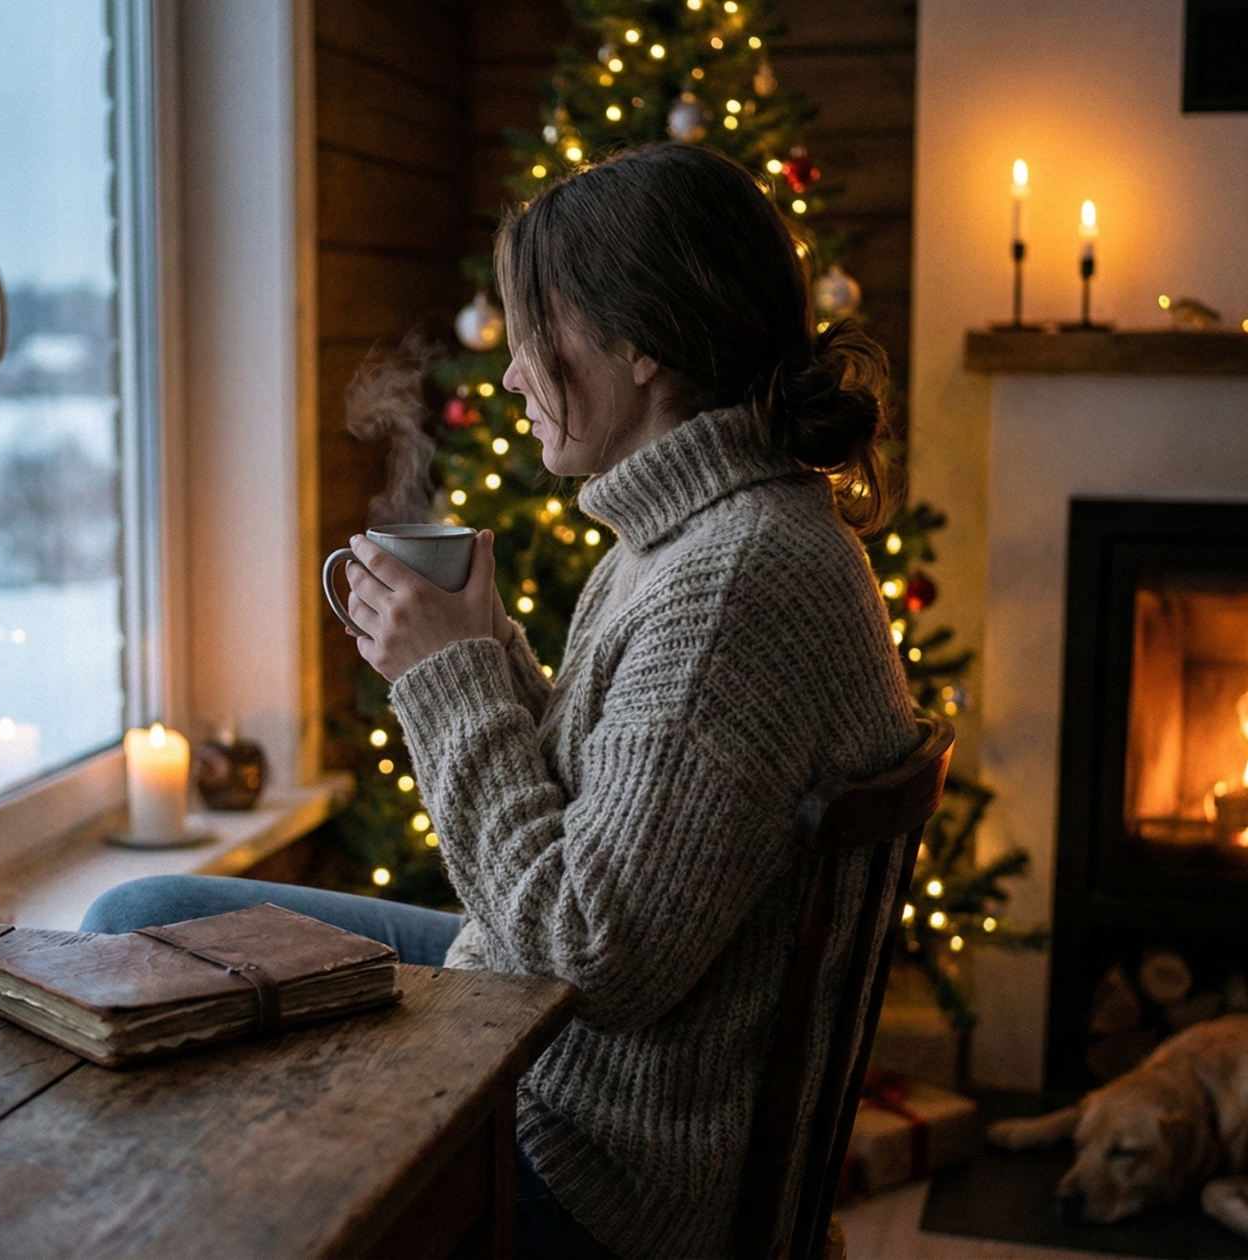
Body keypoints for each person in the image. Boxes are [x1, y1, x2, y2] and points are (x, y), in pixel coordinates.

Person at [84, 142, 920, 1258]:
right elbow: (626, 802)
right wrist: (486, 657)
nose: (513, 375)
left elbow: (583, 957)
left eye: (536, 334)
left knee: (137, 981)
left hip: (591, 1157)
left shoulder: (737, 578)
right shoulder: (685, 539)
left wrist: (447, 678)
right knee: (135, 928)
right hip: (555, 1051)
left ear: (642, 347)